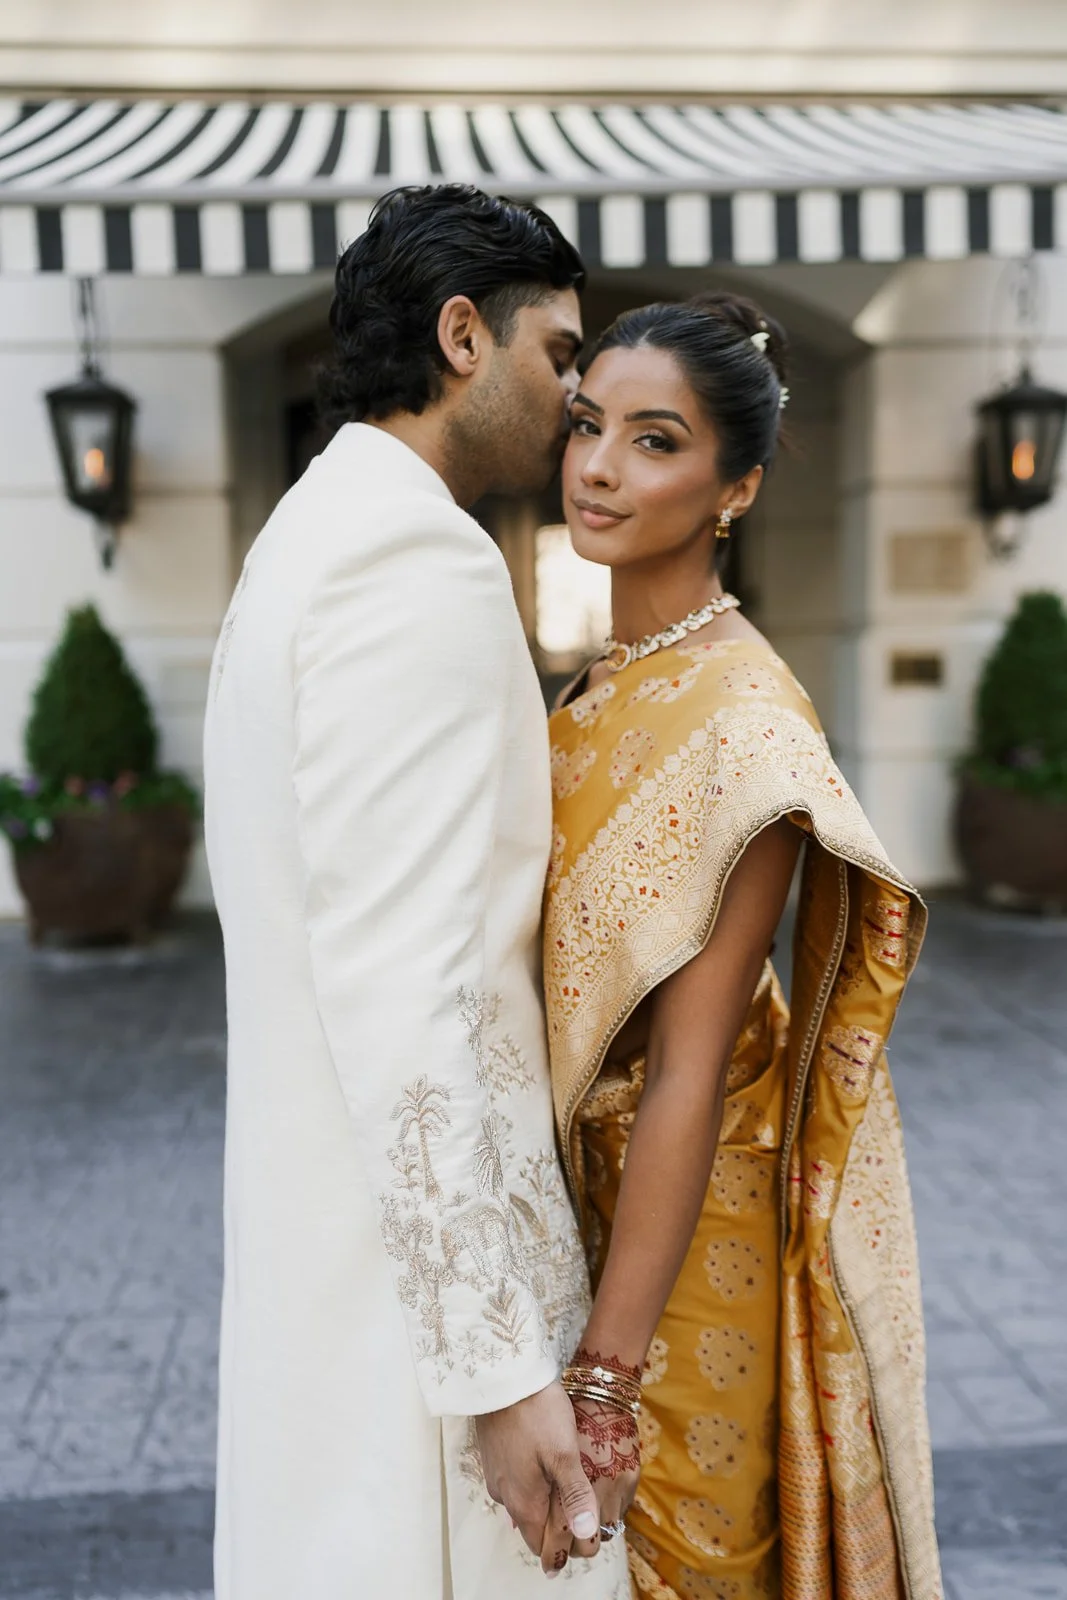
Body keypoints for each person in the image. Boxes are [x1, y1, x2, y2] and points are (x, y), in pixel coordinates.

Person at [202, 185, 631, 1600]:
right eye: (560, 357)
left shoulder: (303, 541)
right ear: (464, 335)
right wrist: (503, 1373)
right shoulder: (413, 561)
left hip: (332, 1248)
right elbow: (412, 979)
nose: (576, 400)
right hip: (419, 1328)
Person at [543, 292, 942, 1599]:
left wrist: (608, 1378)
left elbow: (690, 1068)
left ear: (737, 487)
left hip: (688, 1232)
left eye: (655, 441)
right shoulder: (593, 684)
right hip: (565, 1200)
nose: (599, 466)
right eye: (587, 423)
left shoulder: (745, 727)